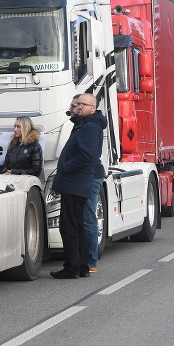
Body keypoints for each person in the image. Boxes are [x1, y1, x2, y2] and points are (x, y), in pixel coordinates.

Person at [50, 93, 107, 279]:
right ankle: (81, 266)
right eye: (78, 104)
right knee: (77, 224)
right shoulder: (84, 125)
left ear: (93, 108)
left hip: (76, 182)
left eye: (83, 104)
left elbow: (87, 157)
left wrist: (65, 167)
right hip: (76, 182)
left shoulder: (90, 127)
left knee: (69, 226)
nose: (79, 107)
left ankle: (72, 268)